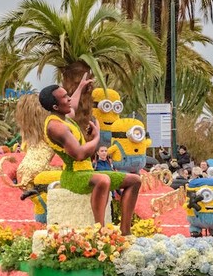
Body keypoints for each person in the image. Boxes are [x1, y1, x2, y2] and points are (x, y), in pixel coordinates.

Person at [39, 82, 141, 236]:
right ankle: (100, 230)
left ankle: (126, 231)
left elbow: (73, 105)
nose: (68, 99)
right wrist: (96, 138)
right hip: (73, 175)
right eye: (64, 97)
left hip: (87, 172)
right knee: (103, 180)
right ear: (55, 107)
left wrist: (80, 86)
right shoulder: (56, 126)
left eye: (67, 95)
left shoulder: (65, 118)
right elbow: (79, 154)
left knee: (135, 180)